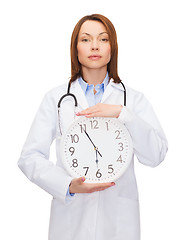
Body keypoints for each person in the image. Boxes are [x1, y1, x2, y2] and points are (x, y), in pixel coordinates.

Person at [18, 14, 168, 240]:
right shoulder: (57, 99)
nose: (95, 46)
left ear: (112, 48)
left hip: (119, 221)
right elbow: (29, 157)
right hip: (70, 220)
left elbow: (156, 154)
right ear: (75, 48)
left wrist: (123, 114)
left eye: (103, 39)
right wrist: (67, 185)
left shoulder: (132, 100)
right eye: (86, 39)